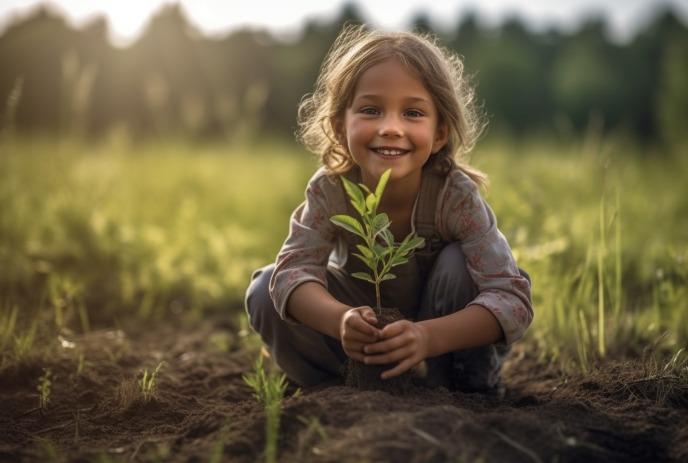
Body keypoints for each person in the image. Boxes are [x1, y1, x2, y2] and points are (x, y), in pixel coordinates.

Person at [245, 25, 533, 394]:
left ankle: (462, 387)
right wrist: (341, 320)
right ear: (339, 126)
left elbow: (512, 300)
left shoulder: (454, 197)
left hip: (441, 353)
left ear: (440, 132)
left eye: (413, 113)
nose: (391, 128)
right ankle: (334, 389)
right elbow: (290, 273)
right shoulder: (332, 189)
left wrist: (426, 338)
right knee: (265, 289)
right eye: (370, 110)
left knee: (459, 265)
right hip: (358, 347)